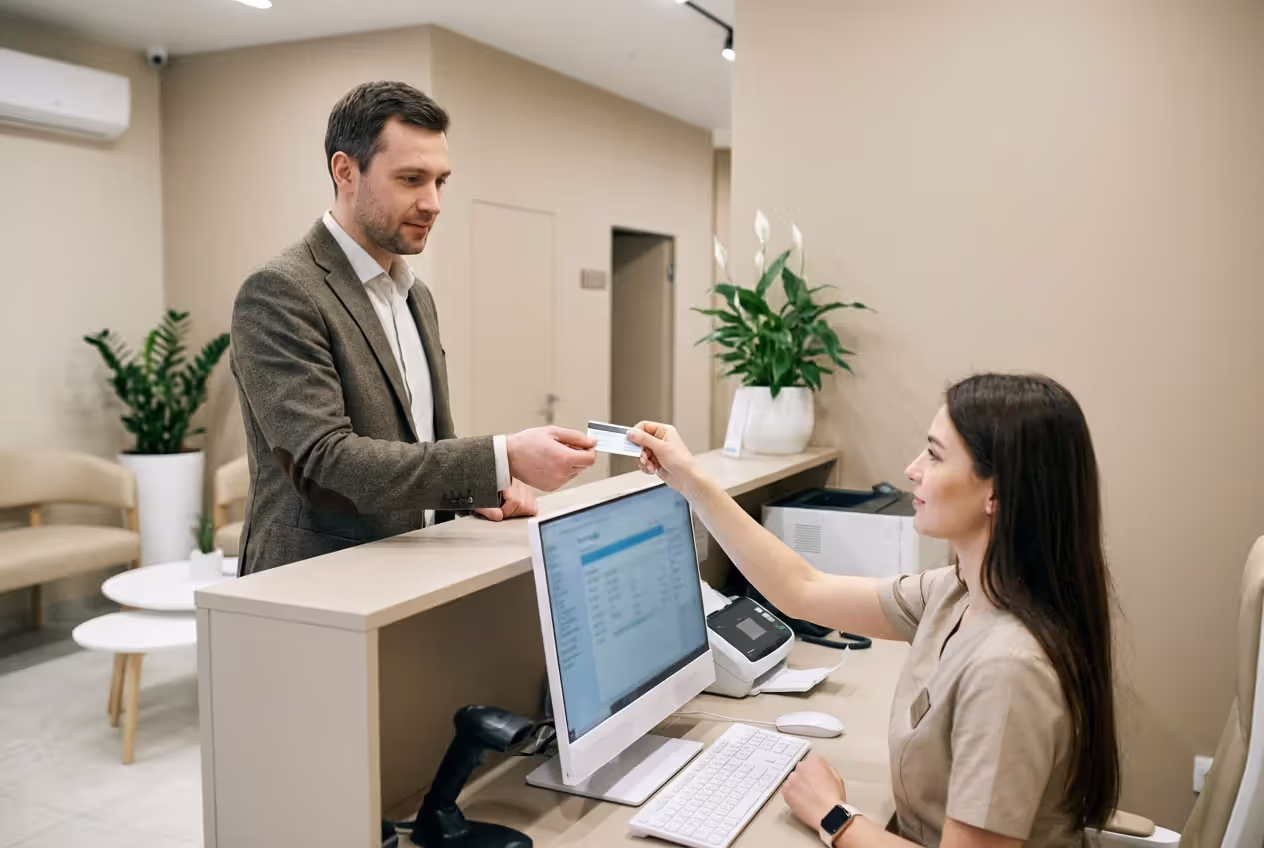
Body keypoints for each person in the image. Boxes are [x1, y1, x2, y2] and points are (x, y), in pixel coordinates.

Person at [628, 373, 1119, 848]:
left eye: (934, 454)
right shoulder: (958, 591)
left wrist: (835, 816)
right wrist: (691, 480)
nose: (912, 469)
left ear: (997, 491)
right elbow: (803, 588)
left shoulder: (1009, 670)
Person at [230, 81, 595, 574]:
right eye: (411, 179)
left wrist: (479, 492)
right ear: (346, 171)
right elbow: (323, 463)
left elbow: (421, 443)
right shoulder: (280, 290)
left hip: (416, 570)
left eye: (440, 181)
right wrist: (500, 458)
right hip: (316, 584)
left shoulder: (415, 294)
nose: (433, 203)